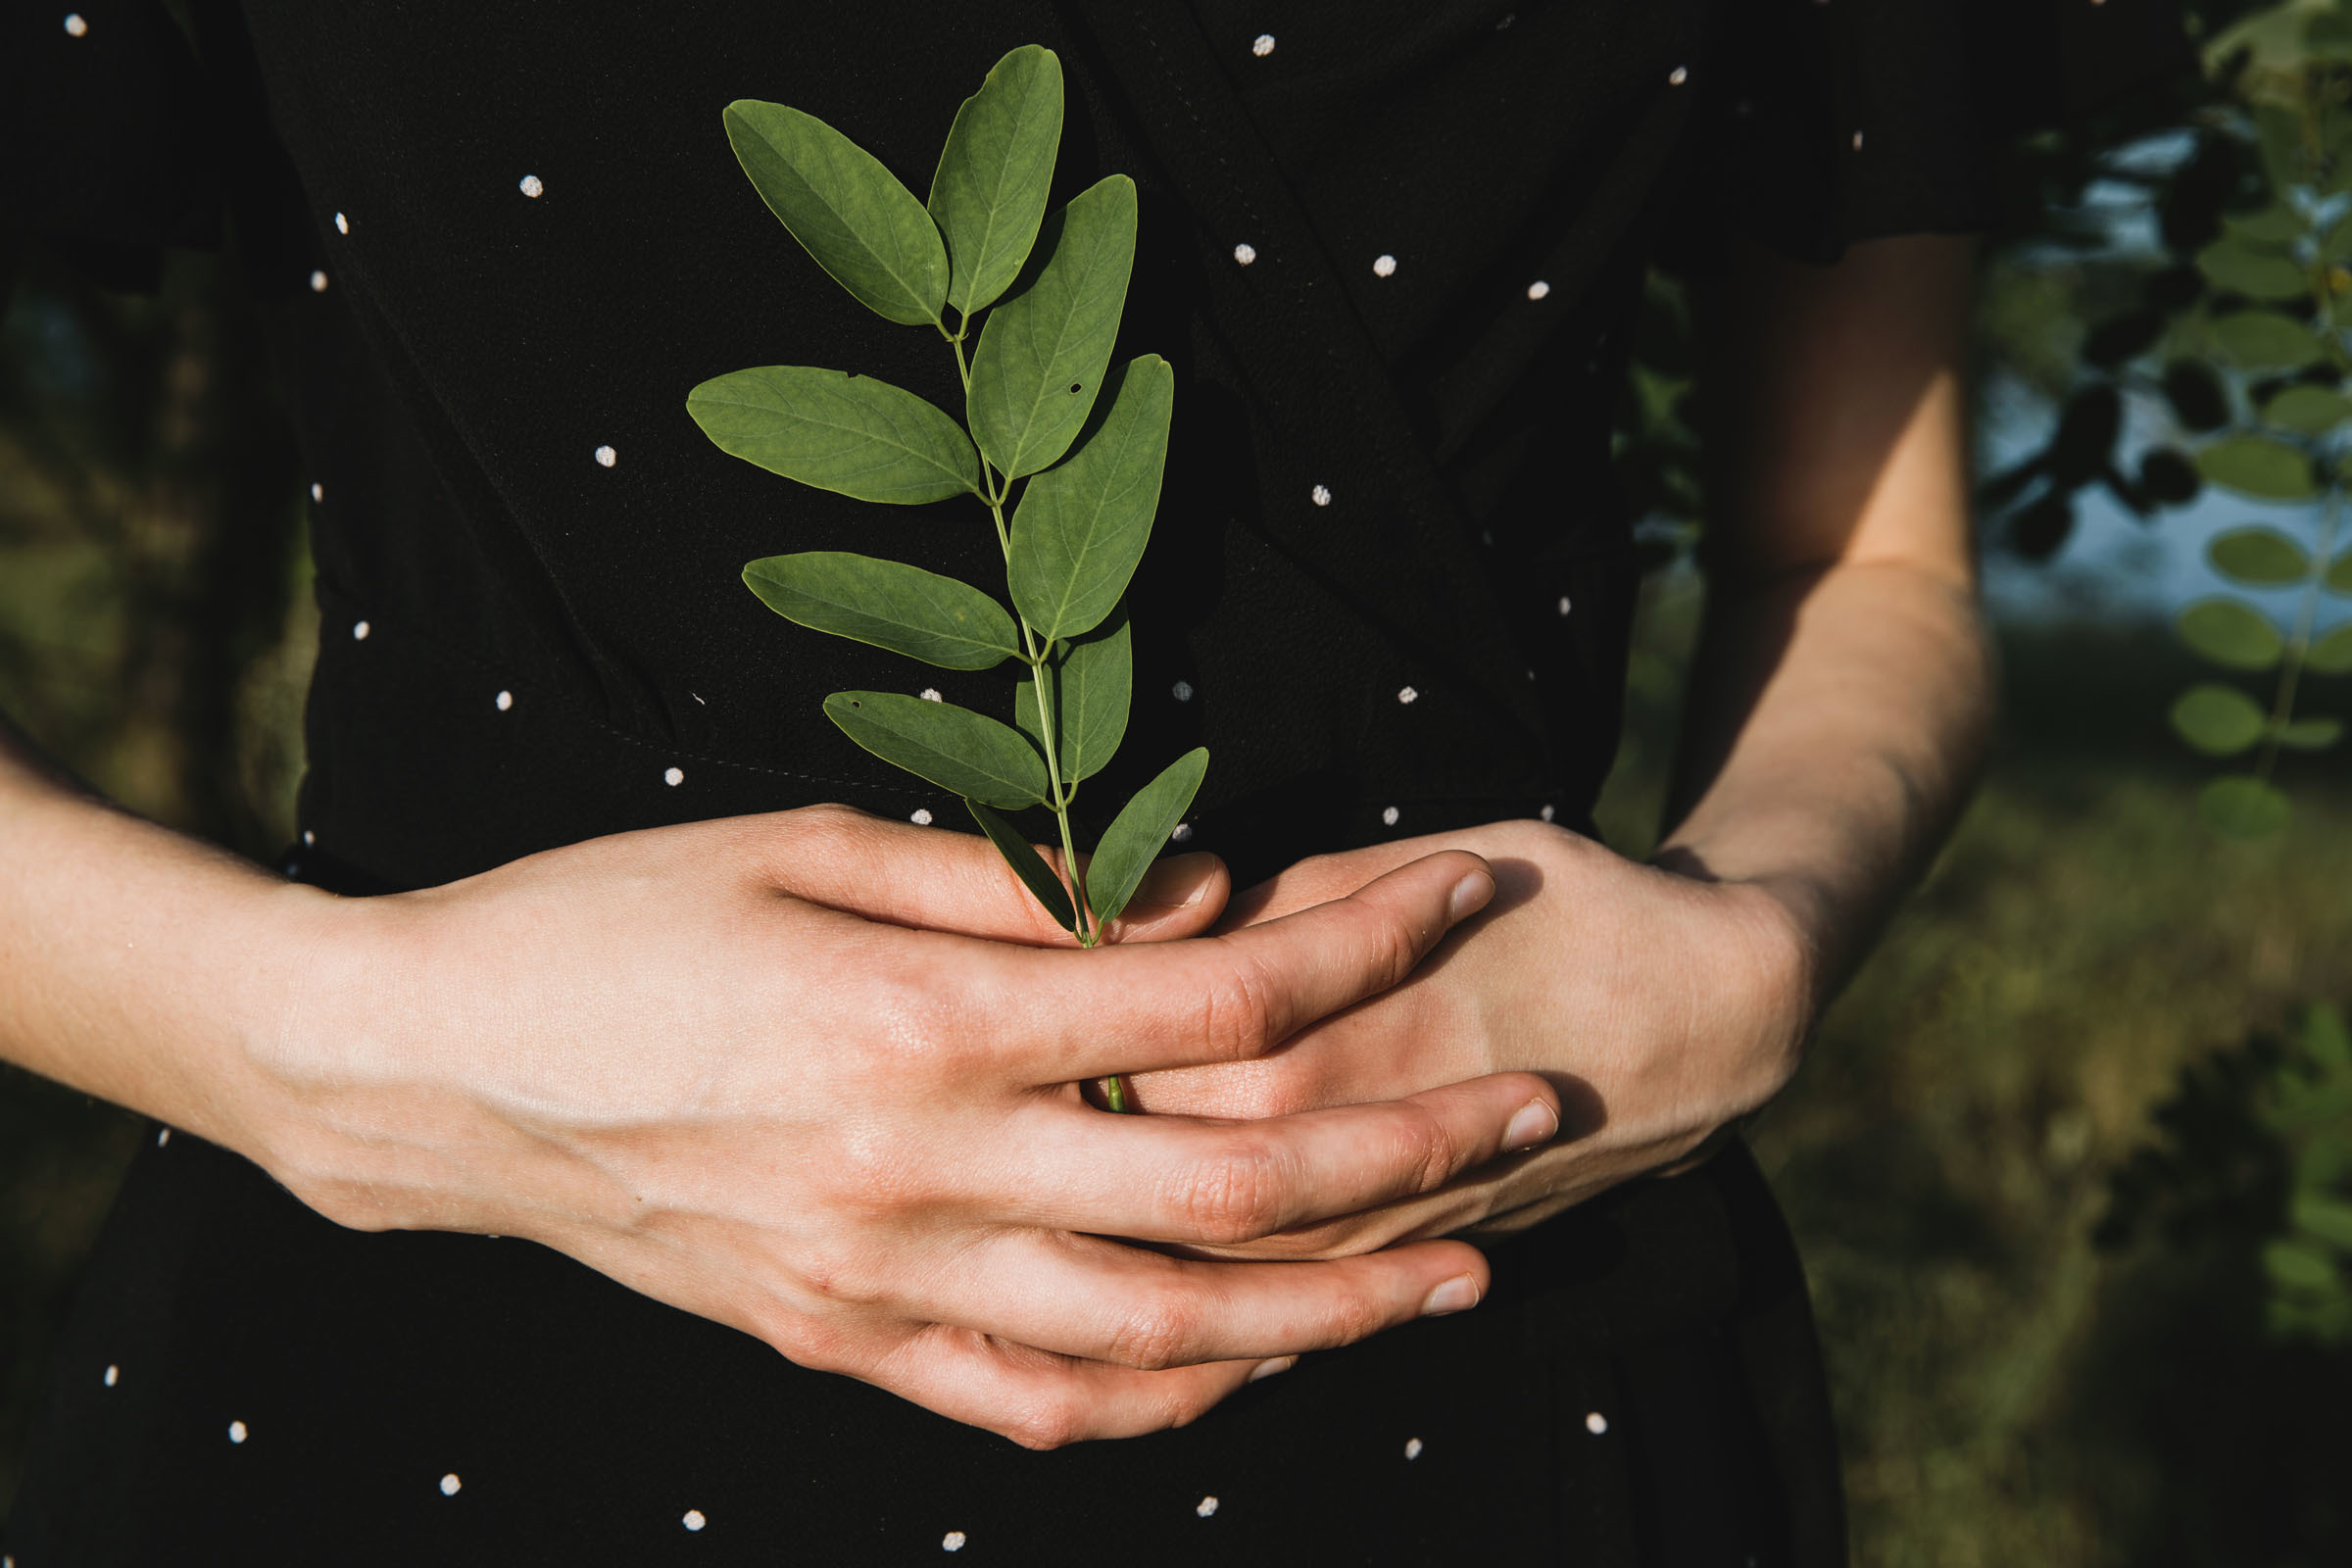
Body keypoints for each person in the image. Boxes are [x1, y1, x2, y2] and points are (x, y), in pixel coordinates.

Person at [0, 1, 2182, 1562]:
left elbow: (1862, 561)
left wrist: (1757, 950)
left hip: (1480, 1340)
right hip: (446, 1378)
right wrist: (345, 1065)